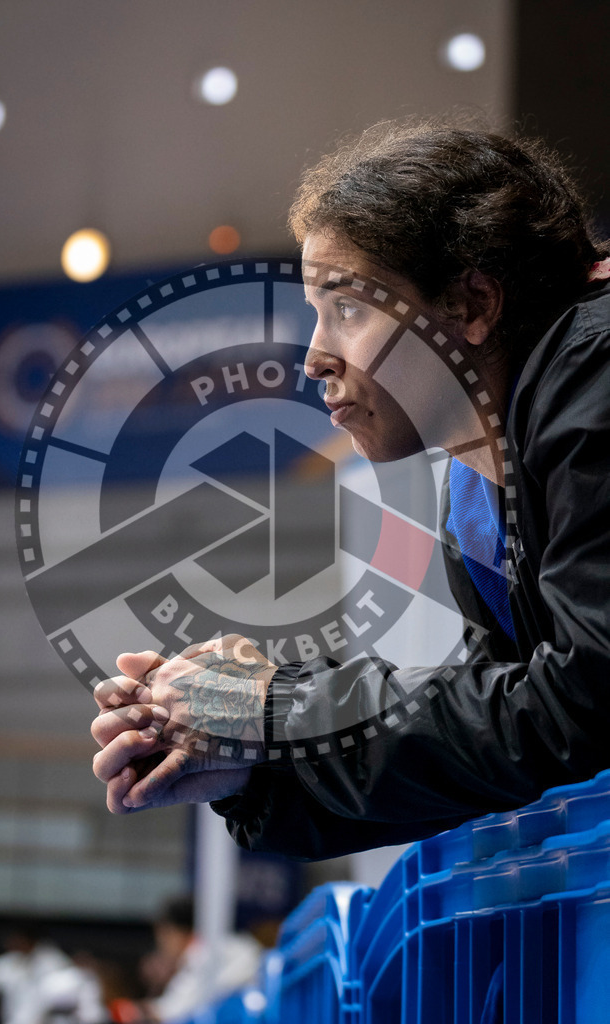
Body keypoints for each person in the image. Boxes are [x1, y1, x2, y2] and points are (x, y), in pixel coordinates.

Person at [91, 116, 610, 860]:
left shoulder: (594, 374)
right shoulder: (474, 493)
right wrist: (243, 764)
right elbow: (496, 746)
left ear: (468, 304)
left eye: (348, 309)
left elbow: (584, 707)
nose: (313, 358)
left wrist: (274, 709)